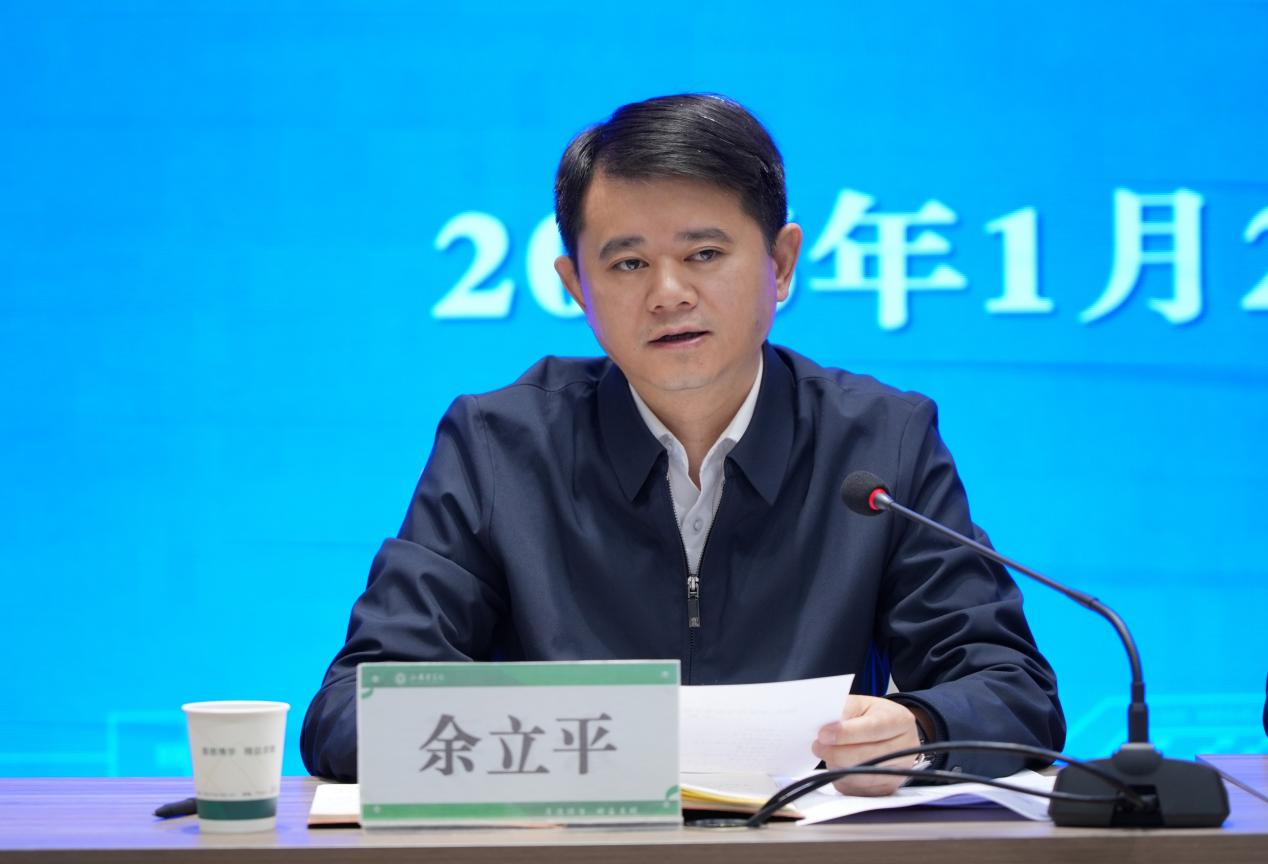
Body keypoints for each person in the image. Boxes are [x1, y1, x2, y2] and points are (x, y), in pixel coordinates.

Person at [301, 93, 1064, 794]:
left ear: (781, 264)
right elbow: (348, 713)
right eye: (629, 263)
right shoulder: (499, 446)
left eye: (704, 254)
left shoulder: (880, 442)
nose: (669, 293)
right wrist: (562, 744)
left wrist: (918, 728)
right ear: (576, 286)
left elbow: (1013, 692)